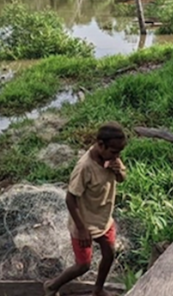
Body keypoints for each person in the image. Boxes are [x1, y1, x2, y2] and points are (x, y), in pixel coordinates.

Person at [44, 122, 127, 296]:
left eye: (119, 153)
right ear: (100, 145)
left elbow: (121, 178)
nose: (117, 156)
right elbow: (70, 198)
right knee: (83, 265)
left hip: (103, 220)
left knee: (109, 254)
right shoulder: (85, 167)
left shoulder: (111, 157)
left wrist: (119, 170)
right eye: (114, 152)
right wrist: (82, 229)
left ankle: (98, 290)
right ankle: (52, 286)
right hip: (84, 223)